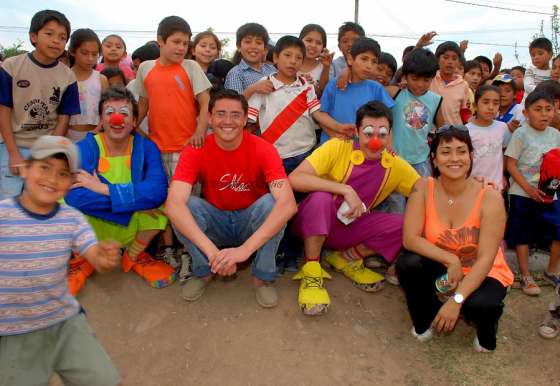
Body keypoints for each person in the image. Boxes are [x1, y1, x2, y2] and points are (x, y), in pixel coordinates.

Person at [0, 135, 121, 385]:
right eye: (44, 167)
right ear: (25, 169)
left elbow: (92, 252)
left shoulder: (72, 218)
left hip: (65, 322)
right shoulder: (4, 215)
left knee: (105, 380)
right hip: (14, 330)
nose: (52, 179)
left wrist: (103, 257)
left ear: (71, 182)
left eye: (63, 174)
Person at [165, 89, 297, 308]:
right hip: (217, 221)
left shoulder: (263, 149)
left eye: (235, 115)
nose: (228, 121)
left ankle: (263, 277)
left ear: (245, 119)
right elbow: (173, 205)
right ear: (209, 118)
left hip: (250, 221)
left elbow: (288, 205)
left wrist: (243, 252)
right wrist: (213, 254)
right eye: (221, 114)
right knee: (184, 206)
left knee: (273, 204)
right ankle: (204, 270)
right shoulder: (195, 149)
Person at [289, 101, 420, 315]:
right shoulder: (337, 146)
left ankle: (345, 258)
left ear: (390, 134)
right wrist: (344, 190)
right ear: (357, 131)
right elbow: (295, 178)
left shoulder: (395, 163)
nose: (375, 141)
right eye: (368, 133)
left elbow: (425, 191)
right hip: (313, 222)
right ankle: (312, 270)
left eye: (382, 133)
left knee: (406, 223)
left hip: (350, 230)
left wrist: (473, 186)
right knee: (321, 198)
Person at [397, 125, 513, 352]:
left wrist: (456, 301)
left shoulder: (490, 198)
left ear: (471, 156)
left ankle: (485, 326)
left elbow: (486, 259)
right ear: (434, 158)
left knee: (483, 306)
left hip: (484, 271)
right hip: (444, 267)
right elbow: (410, 239)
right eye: (446, 151)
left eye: (461, 151)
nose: (454, 158)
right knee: (408, 264)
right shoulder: (423, 187)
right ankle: (426, 317)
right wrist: (451, 260)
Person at [247, 36, 351, 272]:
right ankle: (276, 251)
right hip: (275, 160)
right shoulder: (263, 86)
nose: (293, 61)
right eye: (287, 55)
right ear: (275, 58)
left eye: (298, 57)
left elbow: (318, 115)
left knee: (301, 209)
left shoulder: (306, 86)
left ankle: (293, 253)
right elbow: (249, 120)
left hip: (305, 158)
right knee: (277, 208)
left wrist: (337, 126)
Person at [65, 86, 174, 294]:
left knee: (163, 203)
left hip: (131, 229)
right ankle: (83, 258)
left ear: (134, 121)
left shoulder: (146, 147)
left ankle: (134, 255)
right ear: (101, 120)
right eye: (109, 113)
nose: (117, 119)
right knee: (61, 200)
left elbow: (157, 191)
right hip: (93, 228)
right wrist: (133, 206)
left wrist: (103, 188)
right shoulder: (84, 148)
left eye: (124, 113)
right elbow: (76, 197)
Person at [0, 9, 80, 200]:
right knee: (8, 203)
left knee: (40, 200)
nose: (56, 41)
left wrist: (49, 153)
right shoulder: (11, 66)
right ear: (33, 36)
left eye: (62, 37)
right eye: (49, 34)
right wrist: (13, 153)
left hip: (45, 149)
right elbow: (3, 112)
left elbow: (63, 118)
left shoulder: (68, 76)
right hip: (12, 145)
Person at [505, 90, 560, 295]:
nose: (544, 114)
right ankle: (526, 276)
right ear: (526, 112)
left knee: (558, 229)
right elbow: (510, 164)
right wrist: (528, 189)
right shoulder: (521, 133)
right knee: (523, 233)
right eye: (538, 109)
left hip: (549, 192)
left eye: (548, 109)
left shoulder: (556, 135)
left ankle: (551, 270)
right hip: (522, 191)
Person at [319, 37, 394, 143]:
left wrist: (388, 148)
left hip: (364, 150)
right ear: (350, 59)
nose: (369, 66)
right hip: (333, 147)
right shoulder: (334, 85)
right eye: (364, 59)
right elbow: (321, 113)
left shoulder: (376, 89)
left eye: (374, 62)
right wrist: (337, 129)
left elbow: (387, 119)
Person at [386, 48, 442, 177]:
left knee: (421, 195)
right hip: (394, 159)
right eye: (415, 79)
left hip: (421, 161)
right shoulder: (395, 93)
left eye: (426, 80)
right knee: (395, 197)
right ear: (405, 76)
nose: (420, 84)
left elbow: (443, 130)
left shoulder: (436, 100)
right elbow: (370, 86)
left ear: (433, 78)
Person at [67, 28, 109, 142]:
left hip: (96, 137)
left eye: (95, 54)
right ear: (72, 51)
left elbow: (106, 109)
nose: (90, 58)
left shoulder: (101, 79)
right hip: (67, 137)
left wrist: (98, 130)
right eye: (84, 53)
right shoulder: (63, 77)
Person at [466, 85, 508, 190]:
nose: (491, 107)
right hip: (472, 185)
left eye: (495, 103)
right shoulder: (466, 130)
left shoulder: (502, 127)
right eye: (486, 102)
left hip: (496, 186)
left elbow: (504, 153)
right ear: (475, 105)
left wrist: (503, 175)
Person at [224, 23, 276, 99]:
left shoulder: (272, 70)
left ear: (265, 49)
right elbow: (233, 104)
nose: (253, 46)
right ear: (238, 47)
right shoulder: (236, 73)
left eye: (258, 43)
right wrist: (252, 89)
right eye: (248, 42)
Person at [430, 41, 471, 126]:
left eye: (454, 58)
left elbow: (464, 112)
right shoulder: (430, 79)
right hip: (430, 134)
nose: (450, 62)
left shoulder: (464, 85)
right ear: (437, 59)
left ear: (459, 62)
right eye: (446, 57)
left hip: (453, 134)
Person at [298, 23, 332, 97]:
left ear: (323, 47)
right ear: (300, 41)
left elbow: (324, 93)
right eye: (309, 40)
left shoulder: (325, 67)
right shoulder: (292, 64)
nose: (313, 45)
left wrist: (326, 67)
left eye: (318, 43)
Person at [492, 73, 525, 141]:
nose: (502, 94)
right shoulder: (490, 110)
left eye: (507, 91)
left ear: (515, 94)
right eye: (498, 90)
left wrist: (518, 132)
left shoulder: (520, 110)